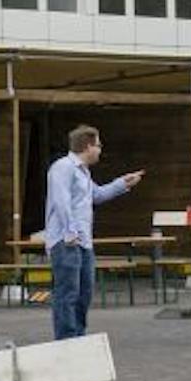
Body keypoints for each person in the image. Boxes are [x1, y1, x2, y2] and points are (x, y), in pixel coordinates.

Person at [43, 125, 144, 340]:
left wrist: (122, 183)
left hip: (84, 242)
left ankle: (78, 335)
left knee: (84, 293)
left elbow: (96, 195)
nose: (100, 150)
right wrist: (70, 231)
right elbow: (61, 201)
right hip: (66, 241)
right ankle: (66, 339)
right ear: (88, 145)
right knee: (67, 292)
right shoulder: (63, 167)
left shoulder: (83, 172)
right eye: (98, 145)